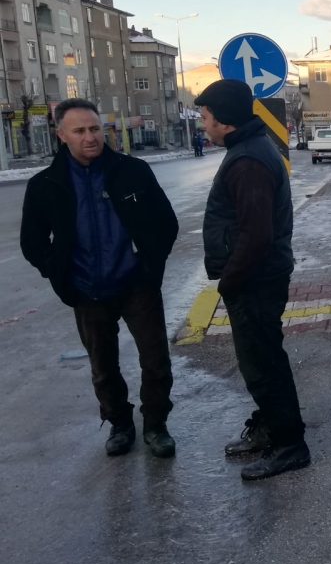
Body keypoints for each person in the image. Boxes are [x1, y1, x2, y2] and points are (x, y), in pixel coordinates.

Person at [20, 99, 179, 458]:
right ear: (61, 135)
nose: (90, 137)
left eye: (95, 128)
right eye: (79, 131)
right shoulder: (46, 184)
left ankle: (156, 424)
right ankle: (120, 424)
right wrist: (59, 272)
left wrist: (149, 265)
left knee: (155, 361)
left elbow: (165, 223)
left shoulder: (132, 171)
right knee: (103, 367)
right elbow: (32, 242)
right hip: (86, 290)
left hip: (135, 284)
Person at [195, 79, 310, 481]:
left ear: (223, 119)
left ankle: (289, 446)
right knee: (260, 361)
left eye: (205, 117)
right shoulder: (248, 150)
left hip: (255, 281)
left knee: (263, 365)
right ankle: (270, 429)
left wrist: (230, 281)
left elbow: (256, 234)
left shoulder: (247, 161)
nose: (203, 124)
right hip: (258, 277)